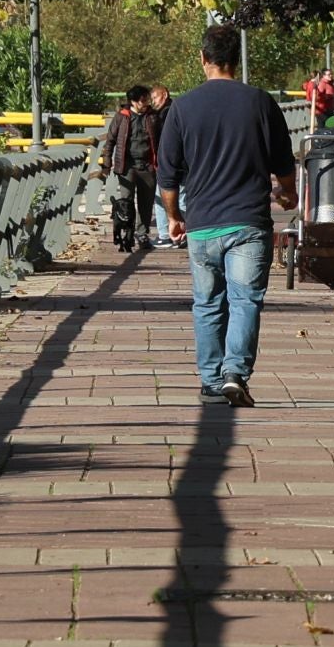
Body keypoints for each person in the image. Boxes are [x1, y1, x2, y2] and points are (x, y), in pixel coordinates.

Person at [158, 26, 297, 407]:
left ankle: (209, 381)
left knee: (207, 303)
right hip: (249, 222)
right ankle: (234, 373)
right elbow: (284, 163)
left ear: (203, 58)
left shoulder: (182, 108)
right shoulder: (261, 103)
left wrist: (174, 217)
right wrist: (289, 193)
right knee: (245, 300)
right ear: (236, 59)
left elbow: (167, 177)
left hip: (202, 224)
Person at [99, 85, 157, 251]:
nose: (146, 102)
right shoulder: (122, 117)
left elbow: (161, 139)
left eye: (147, 99)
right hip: (127, 166)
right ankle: (127, 233)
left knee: (147, 203)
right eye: (143, 100)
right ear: (133, 101)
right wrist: (106, 164)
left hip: (148, 166)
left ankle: (142, 233)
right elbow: (110, 140)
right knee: (126, 201)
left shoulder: (153, 117)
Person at [146, 84, 178, 246]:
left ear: (164, 95)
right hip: (179, 161)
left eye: (155, 98)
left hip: (167, 161)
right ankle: (181, 234)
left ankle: (165, 235)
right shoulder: (178, 110)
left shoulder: (163, 115)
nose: (153, 102)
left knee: (161, 198)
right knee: (182, 197)